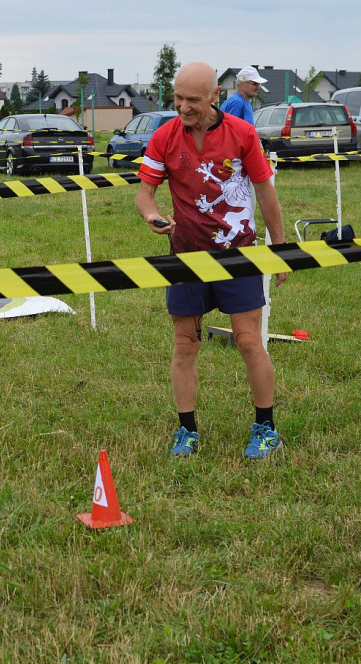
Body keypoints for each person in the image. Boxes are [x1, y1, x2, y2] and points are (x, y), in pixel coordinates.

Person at [134, 62, 288, 460]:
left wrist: (281, 247)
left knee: (249, 340)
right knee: (185, 343)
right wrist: (153, 217)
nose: (183, 107)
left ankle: (265, 427)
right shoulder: (164, 136)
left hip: (238, 254)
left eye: (193, 100)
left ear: (215, 96)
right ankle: (186, 431)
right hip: (186, 255)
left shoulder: (242, 133)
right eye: (178, 98)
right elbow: (144, 194)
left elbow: (265, 192)